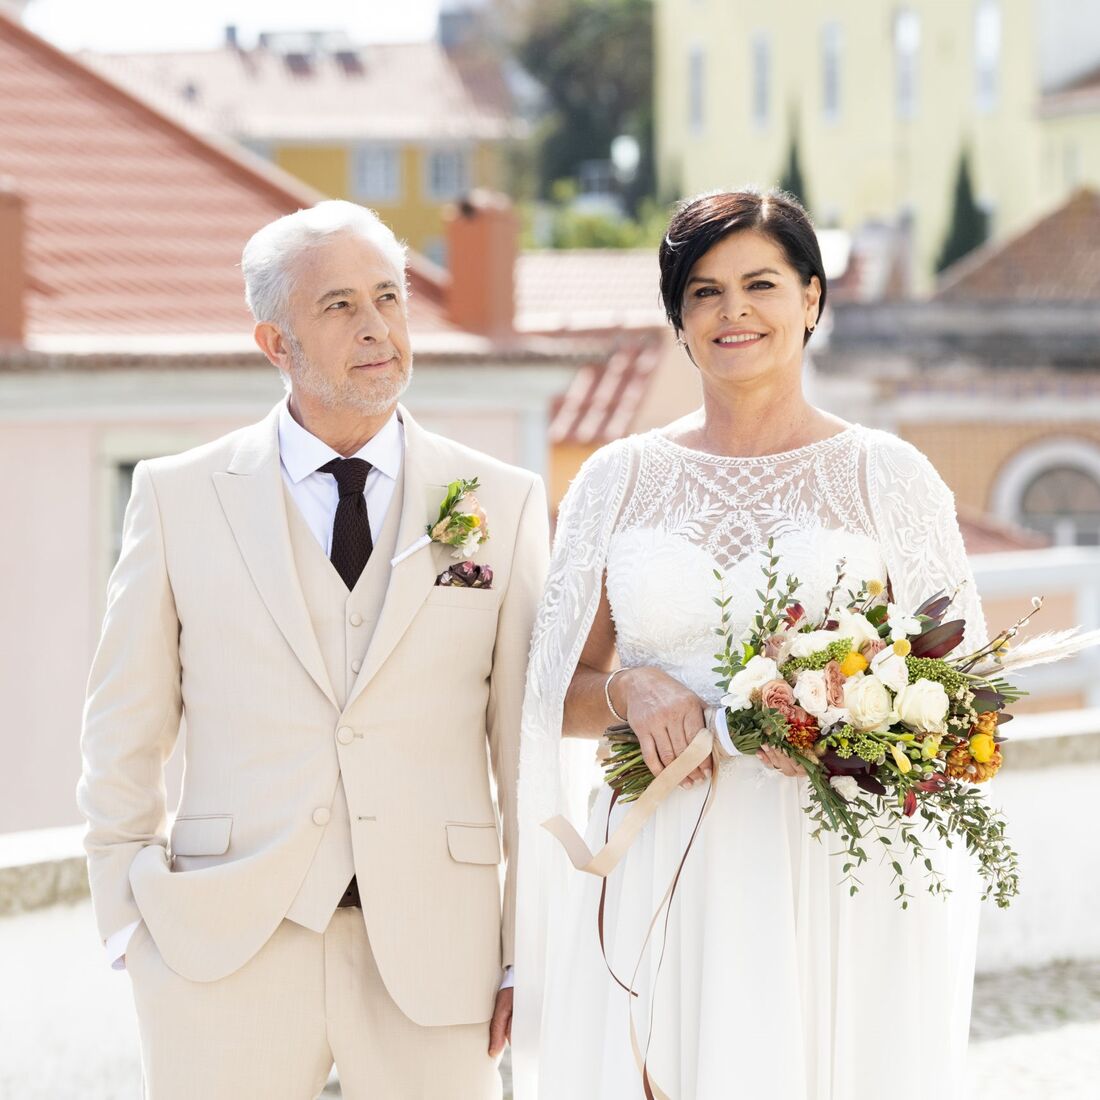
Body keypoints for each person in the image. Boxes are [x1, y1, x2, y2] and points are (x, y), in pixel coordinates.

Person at [512, 189, 986, 1100]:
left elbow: (956, 690)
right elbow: (550, 692)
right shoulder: (618, 479)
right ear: (678, 320)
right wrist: (630, 690)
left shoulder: (886, 474)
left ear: (811, 298)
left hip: (830, 861)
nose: (734, 312)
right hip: (662, 849)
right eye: (704, 291)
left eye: (760, 284)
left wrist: (843, 714)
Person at [77, 200, 548, 1099]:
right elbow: (121, 728)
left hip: (438, 957)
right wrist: (126, 921)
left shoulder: (502, 500)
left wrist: (528, 947)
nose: (377, 329)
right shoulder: (179, 497)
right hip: (220, 948)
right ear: (275, 343)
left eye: (389, 298)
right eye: (339, 307)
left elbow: (523, 757)